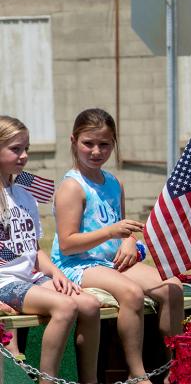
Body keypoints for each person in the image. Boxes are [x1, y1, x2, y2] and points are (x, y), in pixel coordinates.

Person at [51, 108, 183, 384]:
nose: (96, 151)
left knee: (173, 287)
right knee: (131, 294)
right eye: (89, 143)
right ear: (74, 141)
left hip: (111, 262)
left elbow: (122, 227)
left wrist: (128, 241)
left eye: (104, 144)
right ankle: (137, 373)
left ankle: (174, 366)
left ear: (114, 143)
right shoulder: (72, 188)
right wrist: (111, 232)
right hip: (78, 264)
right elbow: (67, 244)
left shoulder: (113, 182)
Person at [0, 115, 100, 384]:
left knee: (90, 304)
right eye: (15, 149)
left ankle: (88, 379)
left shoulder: (24, 193)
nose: (24, 156)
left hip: (29, 279)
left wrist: (57, 274)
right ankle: (48, 380)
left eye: (26, 148)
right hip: (5, 284)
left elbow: (33, 251)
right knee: (66, 307)